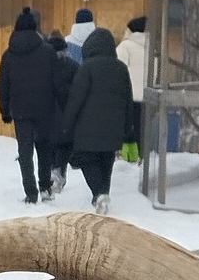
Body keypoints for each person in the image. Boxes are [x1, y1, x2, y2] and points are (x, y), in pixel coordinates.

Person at [62, 25, 136, 214]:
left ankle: (98, 194)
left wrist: (66, 125)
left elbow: (75, 99)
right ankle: (103, 194)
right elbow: (128, 99)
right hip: (114, 128)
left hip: (88, 129)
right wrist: (128, 127)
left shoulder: (86, 69)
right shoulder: (121, 69)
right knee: (106, 161)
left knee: (87, 159)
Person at [0, 7, 58, 204]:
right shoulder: (48, 52)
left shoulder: (9, 54)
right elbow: (57, 81)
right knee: (44, 149)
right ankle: (45, 187)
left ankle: (31, 193)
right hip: (44, 109)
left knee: (25, 151)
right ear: (35, 28)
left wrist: (5, 111)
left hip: (20, 111)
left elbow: (2, 84)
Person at [43, 30, 79, 199]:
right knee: (65, 146)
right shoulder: (72, 65)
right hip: (67, 112)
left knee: (49, 145)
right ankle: (60, 171)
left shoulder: (43, 64)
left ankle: (51, 171)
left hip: (48, 112)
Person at [117, 16, 150, 153]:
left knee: (128, 130)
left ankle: (128, 158)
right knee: (143, 129)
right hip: (147, 95)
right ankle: (142, 155)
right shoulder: (152, 46)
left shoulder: (125, 47)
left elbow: (118, 70)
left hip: (129, 95)